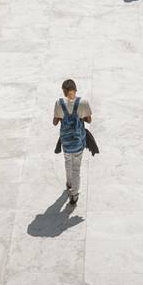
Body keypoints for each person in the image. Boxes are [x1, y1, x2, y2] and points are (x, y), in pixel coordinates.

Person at [53, 78, 93, 206]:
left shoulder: (59, 103)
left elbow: (55, 122)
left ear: (64, 91)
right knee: (76, 168)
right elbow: (89, 120)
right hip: (78, 142)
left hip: (66, 141)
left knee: (67, 161)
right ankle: (74, 194)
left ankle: (69, 183)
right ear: (75, 89)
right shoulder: (83, 102)